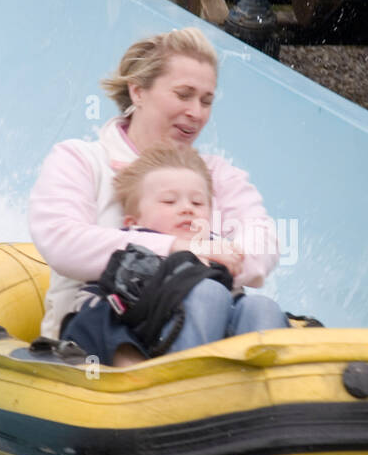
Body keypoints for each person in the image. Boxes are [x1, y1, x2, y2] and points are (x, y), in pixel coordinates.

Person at [28, 26, 288, 366]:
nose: (196, 112)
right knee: (205, 294)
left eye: (206, 100)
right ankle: (179, 397)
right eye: (183, 95)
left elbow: (260, 241)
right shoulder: (81, 160)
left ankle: (257, 403)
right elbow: (63, 242)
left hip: (204, 317)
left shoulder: (216, 173)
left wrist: (209, 267)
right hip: (104, 337)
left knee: (257, 307)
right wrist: (178, 251)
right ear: (137, 91)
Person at [61, 142, 290, 366]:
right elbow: (94, 313)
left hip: (225, 359)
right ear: (133, 221)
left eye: (198, 202)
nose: (187, 208)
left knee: (261, 307)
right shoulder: (128, 257)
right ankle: (186, 384)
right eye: (169, 201)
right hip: (151, 357)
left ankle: (269, 389)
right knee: (208, 293)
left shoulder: (218, 254)